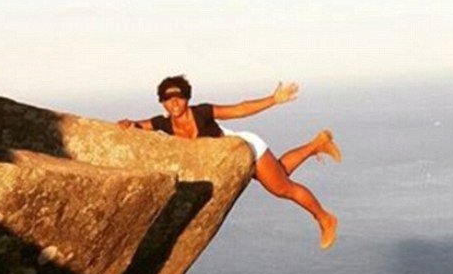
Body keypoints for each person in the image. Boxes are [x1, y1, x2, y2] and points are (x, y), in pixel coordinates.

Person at [118, 75, 342, 249]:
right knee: (281, 171)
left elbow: (239, 109)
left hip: (246, 148)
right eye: (168, 98)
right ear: (163, 103)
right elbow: (139, 125)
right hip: (232, 159)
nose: (174, 102)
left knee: (283, 189)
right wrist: (129, 124)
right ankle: (318, 144)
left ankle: (325, 218)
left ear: (187, 98)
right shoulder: (164, 123)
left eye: (178, 97)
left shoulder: (202, 112)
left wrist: (274, 99)